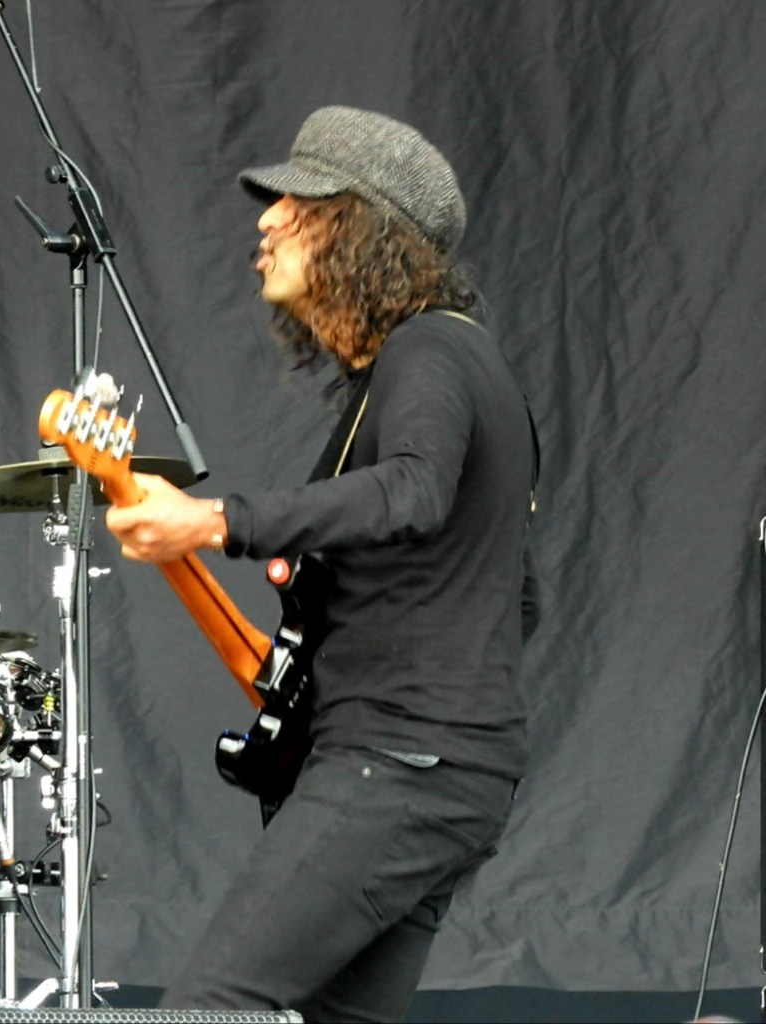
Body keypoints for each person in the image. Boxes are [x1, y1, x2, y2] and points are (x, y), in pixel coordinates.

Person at [105, 105, 539, 1024]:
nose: (266, 220)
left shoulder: (430, 348)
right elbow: (515, 596)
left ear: (365, 232)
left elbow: (414, 490)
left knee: (209, 1007)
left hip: (400, 763)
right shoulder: (440, 365)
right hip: (451, 770)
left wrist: (215, 521)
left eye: (299, 206)